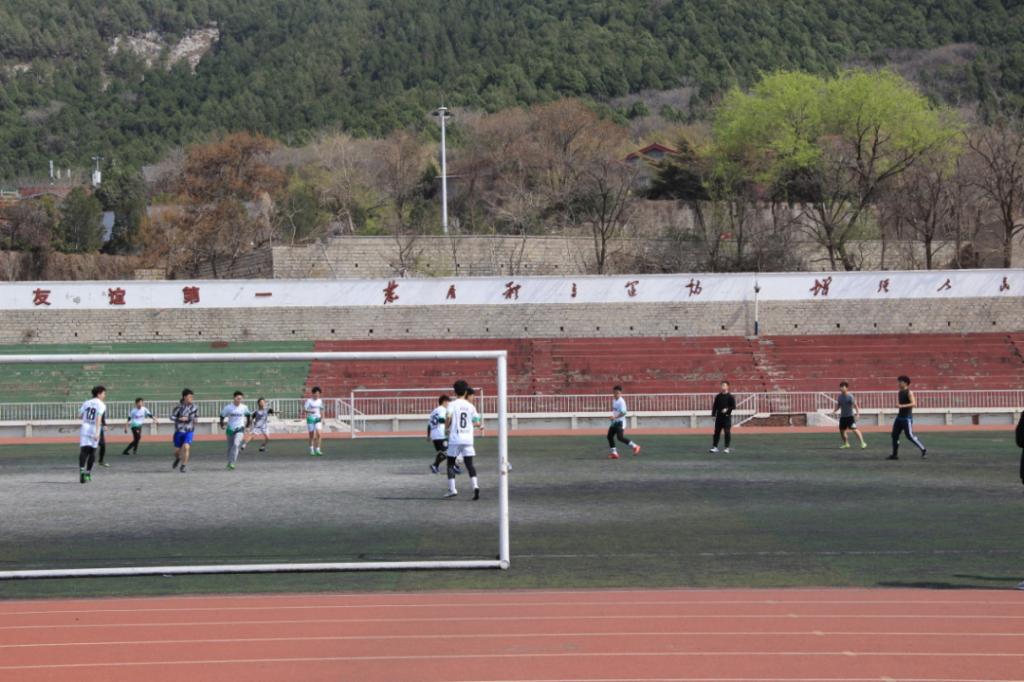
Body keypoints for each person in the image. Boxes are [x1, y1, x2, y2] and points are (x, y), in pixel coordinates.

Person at [444, 381, 483, 499]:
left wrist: (446, 426)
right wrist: (473, 424)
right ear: (466, 392)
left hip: (455, 438)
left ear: (455, 392)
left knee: (450, 464)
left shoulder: (452, 405)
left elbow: (448, 418)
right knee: (469, 464)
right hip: (468, 439)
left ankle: (452, 489)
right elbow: (477, 422)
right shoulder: (471, 406)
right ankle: (475, 486)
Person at [887, 375, 927, 461]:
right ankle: (894, 454)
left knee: (909, 436)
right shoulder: (900, 392)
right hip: (899, 417)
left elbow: (914, 404)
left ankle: (923, 449)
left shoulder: (909, 392)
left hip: (906, 418)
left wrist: (901, 406)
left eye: (900, 382)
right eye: (898, 382)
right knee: (894, 435)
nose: (898, 383)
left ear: (905, 383)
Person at [78, 385, 106, 484]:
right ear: (99, 394)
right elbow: (98, 418)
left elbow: (79, 415)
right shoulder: (101, 404)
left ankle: (82, 470)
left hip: (85, 427)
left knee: (83, 451)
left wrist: (86, 417)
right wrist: (97, 432)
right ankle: (88, 473)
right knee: (92, 452)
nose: (104, 395)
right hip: (94, 428)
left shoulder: (86, 402)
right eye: (103, 393)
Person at [428, 394, 463, 474]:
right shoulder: (443, 410)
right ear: (444, 402)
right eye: (448, 402)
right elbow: (441, 420)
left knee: (444, 452)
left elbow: (429, 424)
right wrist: (451, 422)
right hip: (441, 434)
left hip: (434, 435)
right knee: (449, 451)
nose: (449, 404)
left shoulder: (434, 411)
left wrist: (428, 435)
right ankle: (449, 466)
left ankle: (438, 466)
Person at [219, 391, 252, 470]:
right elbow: (222, 416)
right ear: (234, 398)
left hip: (240, 428)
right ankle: (229, 462)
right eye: (238, 398)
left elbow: (248, 416)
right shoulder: (228, 407)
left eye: (241, 399)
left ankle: (232, 463)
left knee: (236, 444)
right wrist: (222, 425)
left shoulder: (244, 407)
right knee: (230, 447)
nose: (239, 400)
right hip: (230, 429)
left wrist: (247, 426)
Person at [607, 385, 640, 459]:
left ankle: (635, 446)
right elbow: (616, 411)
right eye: (615, 392)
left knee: (620, 437)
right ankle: (614, 453)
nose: (616, 394)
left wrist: (615, 417)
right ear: (613, 393)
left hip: (620, 422)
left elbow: (624, 413)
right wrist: (613, 417)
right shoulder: (614, 400)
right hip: (615, 422)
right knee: (609, 436)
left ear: (621, 393)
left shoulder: (621, 401)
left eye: (618, 393)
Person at [171, 388, 199, 473]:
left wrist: (194, 420)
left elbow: (196, 417)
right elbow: (171, 417)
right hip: (179, 431)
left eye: (192, 397)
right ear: (184, 397)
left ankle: (183, 466)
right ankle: (178, 458)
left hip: (189, 431)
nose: (191, 398)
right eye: (190, 397)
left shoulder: (195, 407)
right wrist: (179, 419)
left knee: (186, 447)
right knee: (176, 451)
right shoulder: (178, 407)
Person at [833, 382, 867, 449]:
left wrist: (857, 414)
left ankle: (863, 443)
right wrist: (834, 411)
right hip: (843, 417)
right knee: (842, 431)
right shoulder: (840, 397)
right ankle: (846, 444)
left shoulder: (850, 396)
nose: (841, 388)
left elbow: (855, 405)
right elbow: (838, 405)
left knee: (854, 430)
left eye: (843, 387)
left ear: (846, 388)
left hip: (850, 417)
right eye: (840, 387)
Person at [710, 381, 736, 453]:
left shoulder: (730, 397)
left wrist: (727, 409)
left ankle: (726, 448)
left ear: (727, 387)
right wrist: (713, 415)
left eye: (724, 385)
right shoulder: (718, 396)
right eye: (722, 385)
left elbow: (733, 406)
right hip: (719, 417)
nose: (723, 387)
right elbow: (715, 406)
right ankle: (715, 447)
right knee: (716, 432)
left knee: (727, 432)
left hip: (727, 417)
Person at [304, 386, 324, 456]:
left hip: (318, 418)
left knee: (319, 434)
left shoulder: (320, 401)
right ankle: (312, 450)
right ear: (313, 393)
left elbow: (322, 409)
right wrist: (311, 411)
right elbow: (305, 409)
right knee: (311, 435)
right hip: (310, 418)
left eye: (318, 393)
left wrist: (322, 418)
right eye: (316, 393)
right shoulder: (309, 401)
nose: (317, 395)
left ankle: (318, 450)